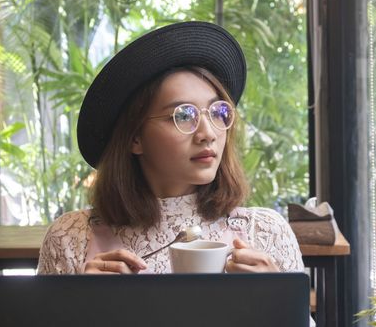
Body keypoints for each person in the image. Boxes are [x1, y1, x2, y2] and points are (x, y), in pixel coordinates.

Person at [37, 21, 305, 275]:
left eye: (217, 112)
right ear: (134, 138)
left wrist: (275, 298)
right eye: (183, 115)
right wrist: (80, 304)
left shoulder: (265, 233)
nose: (208, 133)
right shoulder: (71, 238)